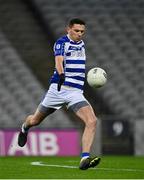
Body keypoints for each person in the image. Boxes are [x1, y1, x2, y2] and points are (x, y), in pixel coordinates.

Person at [18, 18, 101, 170]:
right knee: (35, 120)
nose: (79, 34)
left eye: (82, 31)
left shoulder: (81, 45)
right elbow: (58, 61)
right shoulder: (61, 43)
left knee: (92, 121)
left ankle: (84, 158)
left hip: (75, 92)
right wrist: (61, 74)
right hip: (58, 89)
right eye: (76, 31)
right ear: (68, 29)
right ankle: (24, 127)